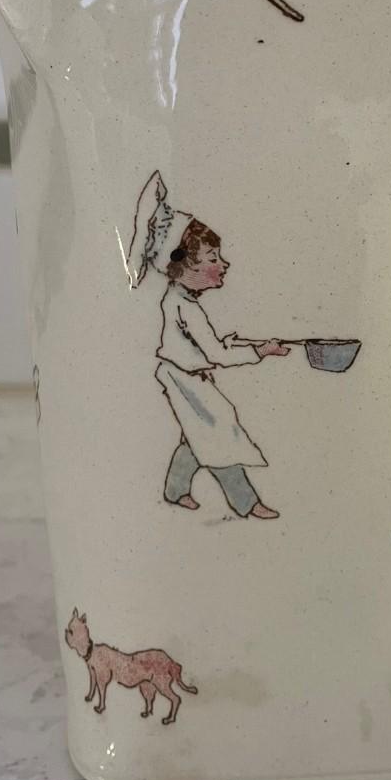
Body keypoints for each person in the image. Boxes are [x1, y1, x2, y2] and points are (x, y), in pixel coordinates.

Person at [127, 171, 289, 519]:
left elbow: (205, 347)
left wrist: (228, 346)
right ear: (182, 266)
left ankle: (174, 490)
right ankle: (247, 503)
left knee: (197, 437)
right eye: (213, 258)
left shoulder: (182, 301)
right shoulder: (185, 306)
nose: (223, 264)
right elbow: (217, 354)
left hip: (186, 376)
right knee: (219, 436)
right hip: (184, 380)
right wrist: (261, 351)